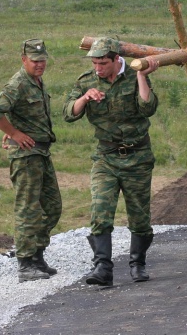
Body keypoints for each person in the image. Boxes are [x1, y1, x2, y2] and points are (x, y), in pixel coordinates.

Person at [63, 37, 160, 286]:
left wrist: (141, 77)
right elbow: (68, 114)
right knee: (100, 210)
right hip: (106, 157)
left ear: (117, 59)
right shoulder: (87, 81)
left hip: (137, 157)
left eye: (103, 63)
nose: (98, 68)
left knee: (139, 216)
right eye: (95, 63)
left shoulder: (134, 75)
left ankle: (138, 263)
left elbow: (147, 108)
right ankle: (103, 267)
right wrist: (85, 98)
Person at [0, 39, 62, 282]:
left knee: (52, 207)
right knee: (28, 209)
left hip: (41, 153)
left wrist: (14, 127)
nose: (40, 65)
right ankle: (26, 264)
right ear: (24, 60)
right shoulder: (18, 83)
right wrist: (15, 133)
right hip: (26, 156)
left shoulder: (36, 82)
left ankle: (37, 256)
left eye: (42, 60)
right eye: (35, 61)